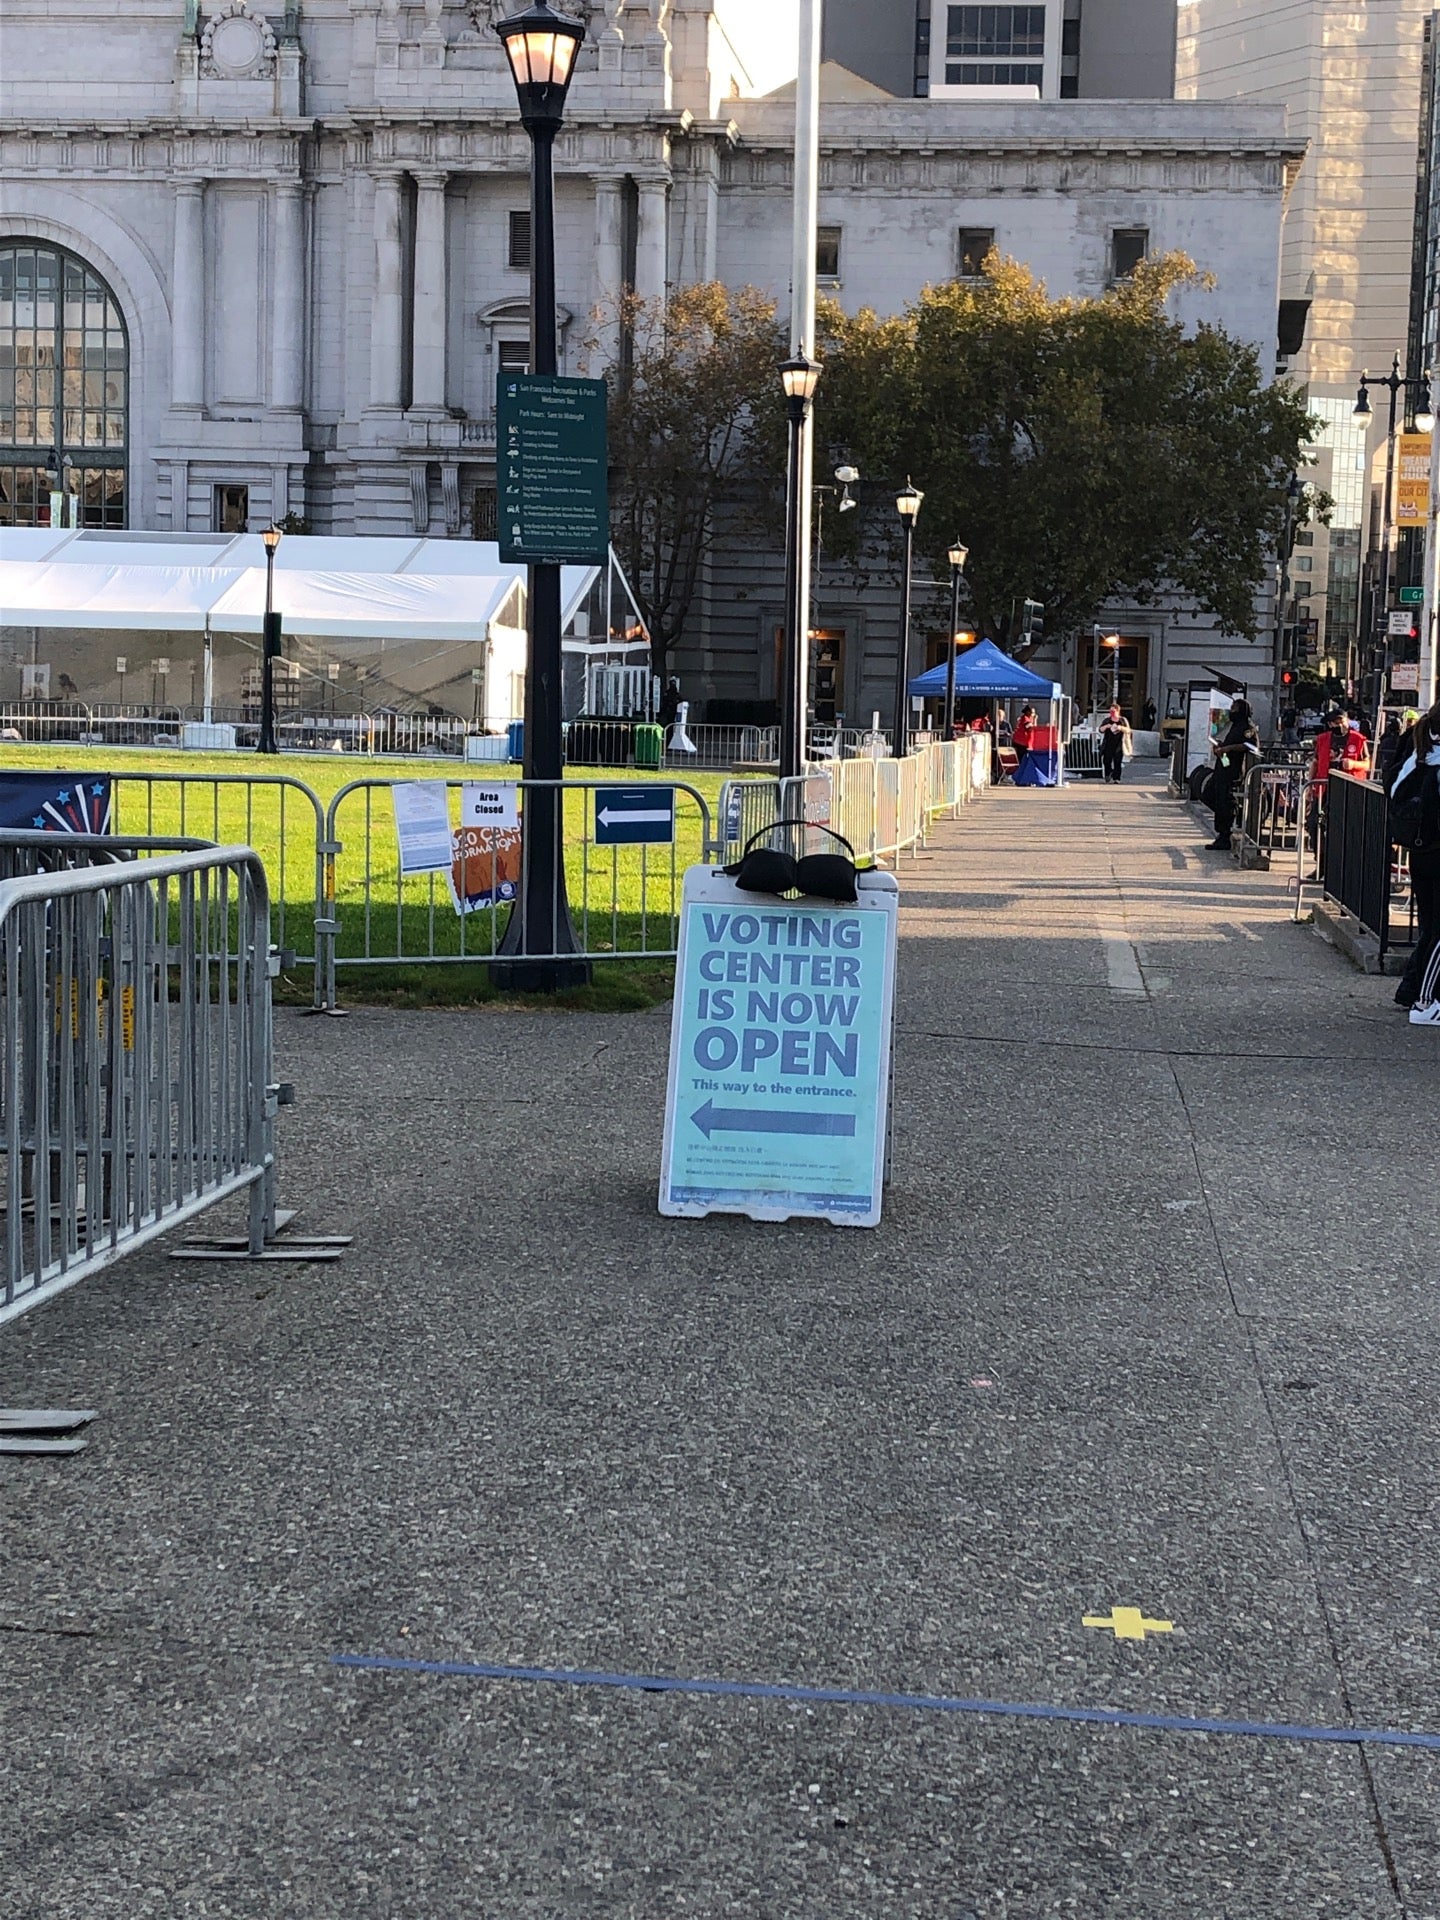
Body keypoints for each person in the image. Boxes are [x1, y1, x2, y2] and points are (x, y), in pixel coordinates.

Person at [1386, 699, 1440, 1019]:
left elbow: (1393, 790)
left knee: (1431, 928)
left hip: (1421, 851)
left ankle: (1414, 991)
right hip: (1435, 851)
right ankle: (1425, 1001)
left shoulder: (1419, 755)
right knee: (1436, 932)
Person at [1205, 697, 1259, 850]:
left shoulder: (1247, 727)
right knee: (1209, 794)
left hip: (1234, 770)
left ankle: (1225, 834)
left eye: (1234, 708)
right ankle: (1224, 825)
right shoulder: (1234, 726)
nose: (1231, 711)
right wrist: (1220, 747)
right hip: (1223, 766)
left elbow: (1251, 746)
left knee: (1225, 801)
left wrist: (1229, 749)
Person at [1098, 704, 1130, 783]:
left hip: (1119, 744)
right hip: (1108, 743)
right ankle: (1108, 774)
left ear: (1117, 711)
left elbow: (1128, 730)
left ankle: (1117, 778)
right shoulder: (1107, 720)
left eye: (1113, 711)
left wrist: (1120, 728)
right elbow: (1100, 730)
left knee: (1117, 761)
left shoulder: (1122, 720)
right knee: (1107, 761)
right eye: (1110, 711)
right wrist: (1106, 726)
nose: (1111, 713)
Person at [1012, 704, 1037, 774]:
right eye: (1032, 713)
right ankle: (1020, 775)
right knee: (1022, 760)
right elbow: (1030, 729)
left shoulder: (1026, 718)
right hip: (1021, 743)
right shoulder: (1025, 719)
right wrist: (1035, 721)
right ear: (1028, 712)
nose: (1033, 714)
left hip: (1022, 742)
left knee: (1022, 759)